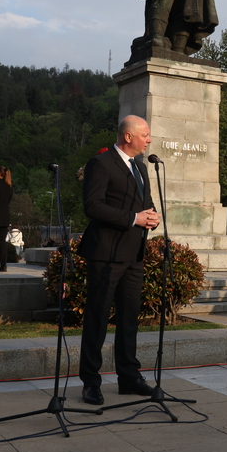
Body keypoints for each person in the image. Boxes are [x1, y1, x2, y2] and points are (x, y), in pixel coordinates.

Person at [77, 115, 160, 406]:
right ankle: (90, 382)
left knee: (129, 318)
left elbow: (143, 205)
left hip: (133, 253)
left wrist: (150, 218)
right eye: (145, 135)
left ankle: (129, 377)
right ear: (128, 137)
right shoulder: (101, 163)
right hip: (105, 253)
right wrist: (133, 218)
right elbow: (93, 206)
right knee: (98, 318)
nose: (149, 140)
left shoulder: (140, 167)